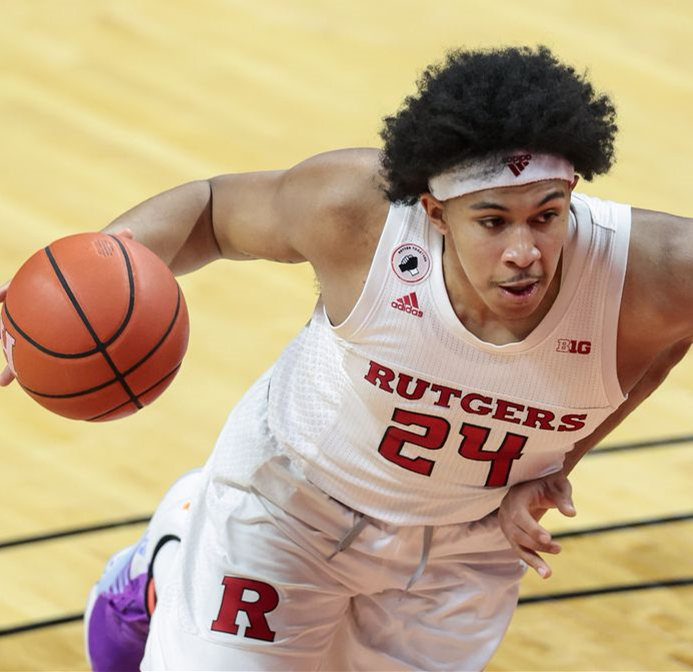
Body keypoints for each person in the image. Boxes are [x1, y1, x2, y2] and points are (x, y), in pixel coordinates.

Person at [2, 45, 691, 671]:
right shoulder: (360, 215)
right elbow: (211, 212)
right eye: (491, 221)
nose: (523, 251)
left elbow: (662, 343)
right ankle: (178, 551)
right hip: (288, 508)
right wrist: (78, 289)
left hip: (464, 548)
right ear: (434, 211)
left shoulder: (651, 272)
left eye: (547, 215)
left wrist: (558, 462)